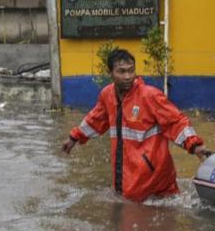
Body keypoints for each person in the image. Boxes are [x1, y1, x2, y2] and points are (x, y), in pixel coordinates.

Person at [61, 49, 207, 202]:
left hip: (155, 180)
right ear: (110, 73)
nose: (127, 77)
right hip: (127, 180)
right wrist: (74, 137)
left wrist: (194, 145)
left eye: (131, 71)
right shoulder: (107, 95)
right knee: (126, 213)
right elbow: (95, 119)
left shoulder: (149, 95)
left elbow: (176, 121)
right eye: (122, 72)